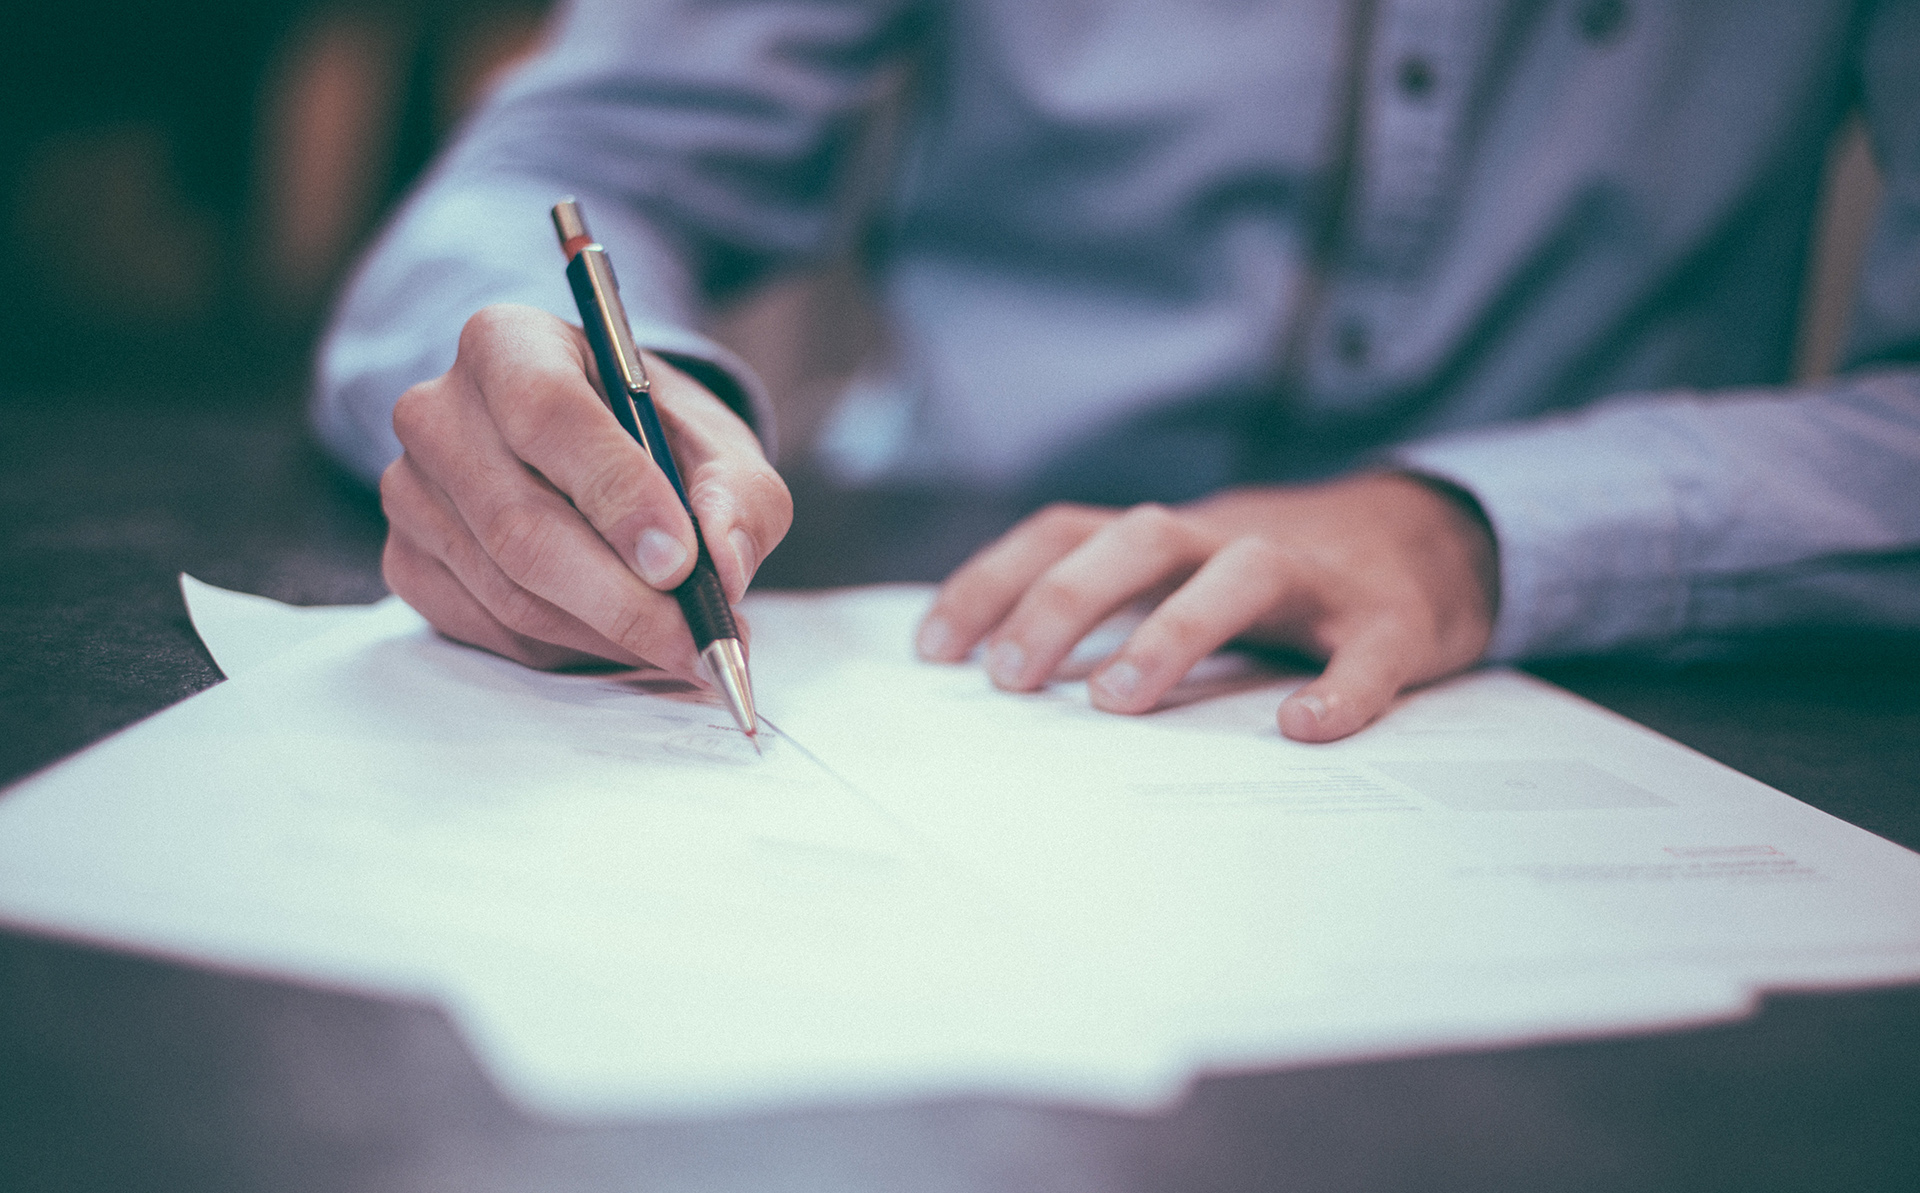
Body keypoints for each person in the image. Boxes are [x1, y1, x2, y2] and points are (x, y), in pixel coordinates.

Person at [315, 0, 1920, 742]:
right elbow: (566, 161)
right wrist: (588, 409)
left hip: (1625, 685)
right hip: (948, 620)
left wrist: (1474, 526)